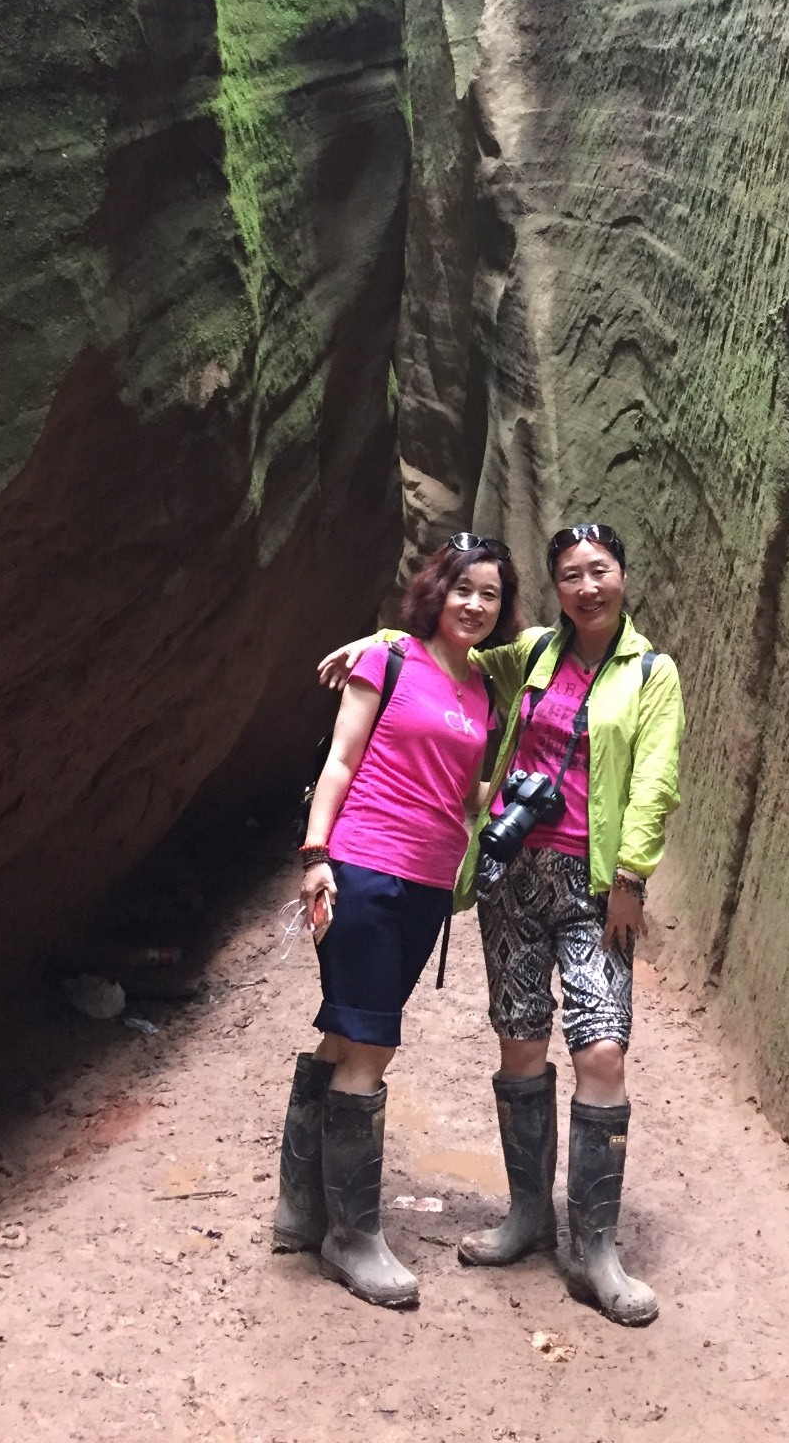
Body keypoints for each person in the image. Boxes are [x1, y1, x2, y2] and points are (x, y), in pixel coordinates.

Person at [319, 521, 683, 1326]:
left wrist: (632, 876)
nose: (588, 587)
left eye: (600, 571)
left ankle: (594, 1250)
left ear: (622, 575)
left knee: (602, 1048)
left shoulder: (652, 673)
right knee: (520, 1038)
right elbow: (448, 648)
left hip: (595, 885)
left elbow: (656, 777)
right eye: (571, 577)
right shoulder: (537, 655)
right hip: (514, 879)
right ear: (556, 590)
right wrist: (375, 639)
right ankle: (528, 1217)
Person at [273, 533, 520, 1309]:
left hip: (428, 882)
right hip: (364, 867)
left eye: (490, 594)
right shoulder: (388, 660)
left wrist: (519, 802)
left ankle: (301, 1209)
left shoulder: (482, 686)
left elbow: (464, 790)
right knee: (372, 1044)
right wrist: (316, 856)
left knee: (348, 1033)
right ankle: (353, 1237)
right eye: (464, 589)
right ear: (436, 591)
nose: (475, 604)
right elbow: (341, 762)